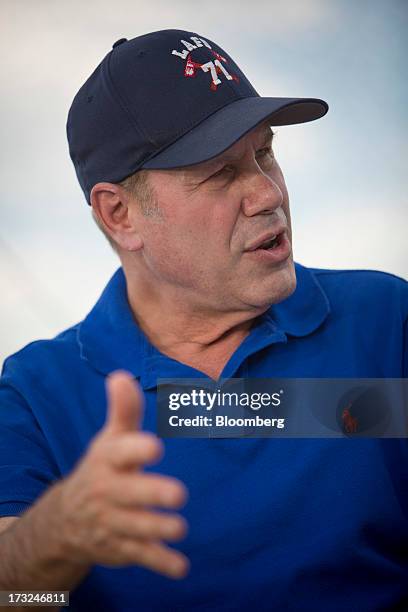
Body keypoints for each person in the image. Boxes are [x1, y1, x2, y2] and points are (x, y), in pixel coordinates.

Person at [0, 28, 407, 612]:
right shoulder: (36, 396)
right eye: (220, 174)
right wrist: (53, 541)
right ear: (119, 215)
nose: (267, 194)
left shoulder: (386, 324)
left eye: (265, 153)